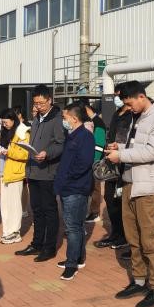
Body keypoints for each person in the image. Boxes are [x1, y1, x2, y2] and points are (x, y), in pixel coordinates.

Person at [106, 80, 154, 307]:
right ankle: (140, 281)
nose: (128, 107)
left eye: (130, 103)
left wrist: (122, 156)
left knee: (151, 240)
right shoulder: (138, 117)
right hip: (130, 184)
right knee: (133, 239)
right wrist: (120, 148)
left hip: (149, 188)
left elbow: (153, 151)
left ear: (141, 97)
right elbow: (137, 146)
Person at [16, 85, 65, 262]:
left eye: (42, 103)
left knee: (49, 210)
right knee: (36, 209)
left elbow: (60, 144)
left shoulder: (57, 119)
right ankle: (36, 244)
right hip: (33, 171)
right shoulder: (37, 118)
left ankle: (49, 247)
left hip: (47, 172)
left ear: (49, 100)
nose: (38, 106)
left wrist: (47, 153)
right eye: (36, 103)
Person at [54, 102, 95, 281]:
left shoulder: (85, 136)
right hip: (67, 186)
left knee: (72, 228)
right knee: (75, 226)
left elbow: (84, 163)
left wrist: (68, 177)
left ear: (74, 118)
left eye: (65, 117)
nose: (64, 120)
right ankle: (78, 258)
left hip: (75, 188)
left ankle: (72, 264)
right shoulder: (72, 135)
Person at [94, 84, 133, 251]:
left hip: (126, 163)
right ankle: (115, 233)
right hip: (112, 163)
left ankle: (125, 237)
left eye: (119, 95)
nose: (117, 99)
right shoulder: (117, 114)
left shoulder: (133, 115)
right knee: (110, 199)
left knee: (123, 201)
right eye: (116, 95)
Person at [0, 108, 30, 244]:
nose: (4, 125)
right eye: (2, 122)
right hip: (4, 172)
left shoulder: (22, 133)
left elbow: (25, 154)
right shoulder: (5, 133)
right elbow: (1, 152)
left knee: (14, 205)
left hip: (15, 173)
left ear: (14, 120)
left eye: (6, 122)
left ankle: (15, 233)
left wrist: (9, 152)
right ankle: (7, 232)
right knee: (5, 206)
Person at [84, 101, 107, 223]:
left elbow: (99, 146)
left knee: (95, 187)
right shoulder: (90, 121)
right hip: (88, 160)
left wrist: (94, 162)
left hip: (94, 162)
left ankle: (95, 212)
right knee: (91, 187)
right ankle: (91, 211)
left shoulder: (98, 122)